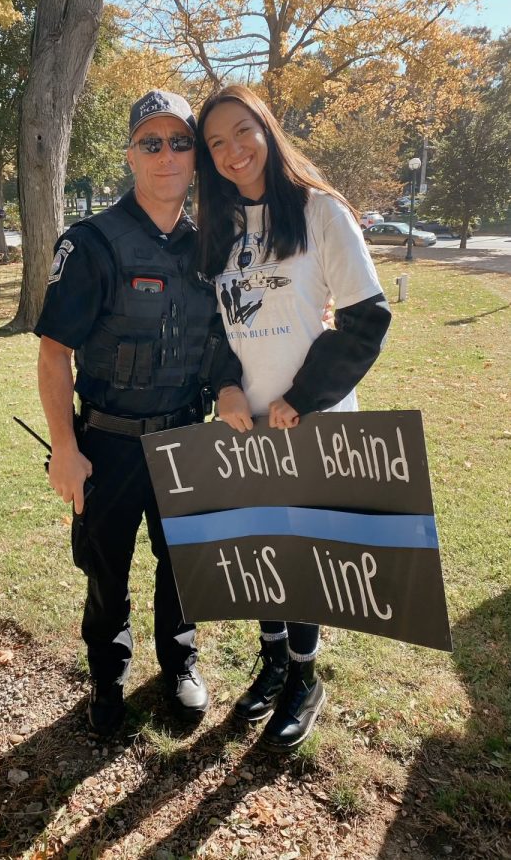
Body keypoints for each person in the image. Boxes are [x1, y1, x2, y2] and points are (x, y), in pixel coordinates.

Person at [35, 90, 243, 738]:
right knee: (106, 574)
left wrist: (229, 387)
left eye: (180, 142)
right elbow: (53, 355)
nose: (166, 155)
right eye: (150, 143)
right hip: (109, 444)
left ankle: (180, 666)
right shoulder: (92, 243)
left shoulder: (212, 244)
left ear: (194, 157)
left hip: (185, 436)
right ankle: (108, 676)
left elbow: (223, 339)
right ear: (129, 155)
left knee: (182, 566)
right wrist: (65, 449)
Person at [195, 85, 392, 752]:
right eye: (215, 142)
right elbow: (211, 329)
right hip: (244, 426)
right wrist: (224, 386)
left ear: (267, 130)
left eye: (241, 131)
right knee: (262, 550)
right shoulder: (217, 230)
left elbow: (368, 319)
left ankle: (304, 678)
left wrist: (302, 398)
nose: (231, 150)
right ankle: (273, 659)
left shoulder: (320, 212)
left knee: (303, 557)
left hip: (310, 422)